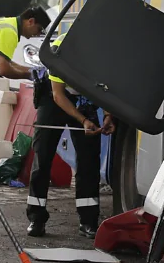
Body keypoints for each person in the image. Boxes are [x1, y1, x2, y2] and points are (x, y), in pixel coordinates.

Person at [26, 34, 114, 239]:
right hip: (53, 97)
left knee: (89, 161)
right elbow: (58, 96)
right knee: (43, 157)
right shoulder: (60, 50)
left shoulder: (106, 56)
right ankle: (36, 219)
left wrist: (109, 115)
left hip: (84, 98)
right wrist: (83, 120)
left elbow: (108, 90)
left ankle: (88, 221)